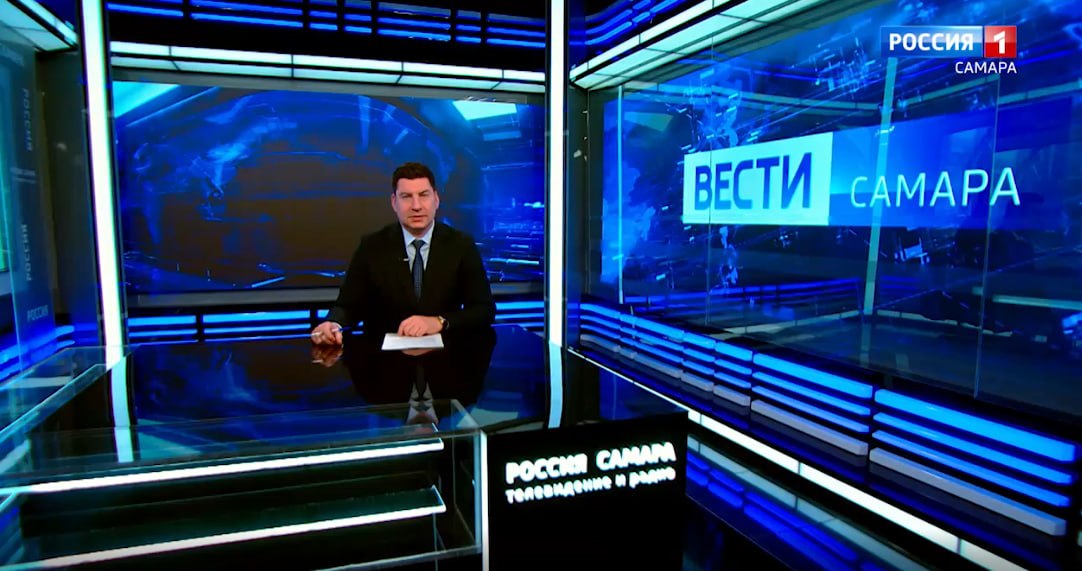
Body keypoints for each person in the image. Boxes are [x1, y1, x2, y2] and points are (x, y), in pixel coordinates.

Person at [311, 162, 495, 344]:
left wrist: (439, 321)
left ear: (436, 199)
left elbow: (484, 309)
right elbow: (348, 306)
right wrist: (333, 323)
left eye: (423, 195)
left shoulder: (461, 245)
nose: (416, 206)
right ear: (394, 202)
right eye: (406, 197)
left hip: (446, 355)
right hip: (382, 357)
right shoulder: (371, 246)